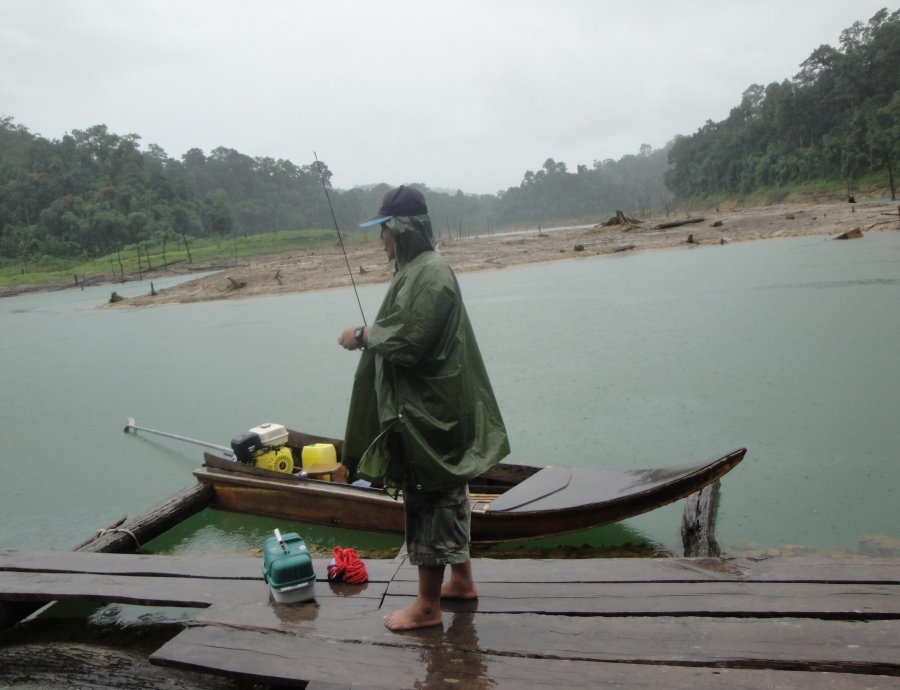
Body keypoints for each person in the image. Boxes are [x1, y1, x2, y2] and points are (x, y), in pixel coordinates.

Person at [338, 185, 510, 631]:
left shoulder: (429, 273)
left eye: (385, 231)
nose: (381, 240)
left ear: (403, 228)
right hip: (432, 408)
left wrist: (360, 334)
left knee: (432, 500)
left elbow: (409, 340)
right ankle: (461, 582)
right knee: (450, 497)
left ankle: (428, 607)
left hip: (431, 413)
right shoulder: (416, 270)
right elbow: (405, 329)